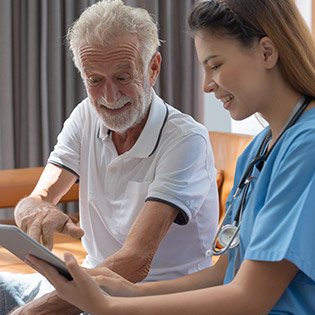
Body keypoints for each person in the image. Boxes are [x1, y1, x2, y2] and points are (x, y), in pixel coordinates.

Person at [25, 0, 315, 314]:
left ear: (267, 52)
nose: (205, 85)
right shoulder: (259, 150)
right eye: (95, 80)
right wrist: (129, 293)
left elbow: (250, 299)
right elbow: (224, 273)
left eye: (215, 65)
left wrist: (110, 306)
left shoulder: (306, 147)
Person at [0, 0, 220, 314]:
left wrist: (35, 311)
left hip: (148, 301)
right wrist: (31, 210)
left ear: (153, 68)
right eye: (95, 80)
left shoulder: (186, 139)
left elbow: (135, 262)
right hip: (86, 284)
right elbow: (39, 197)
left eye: (122, 77)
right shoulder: (85, 116)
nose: (109, 96)